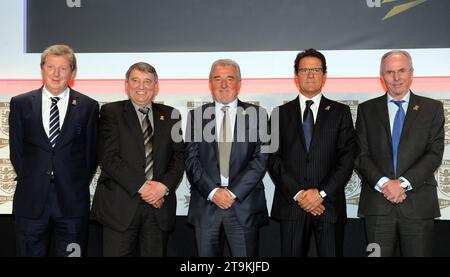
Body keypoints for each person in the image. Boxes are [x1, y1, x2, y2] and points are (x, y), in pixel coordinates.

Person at [8, 44, 99, 257]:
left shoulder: (88, 106)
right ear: (42, 69)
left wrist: (70, 180)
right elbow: (17, 153)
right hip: (31, 200)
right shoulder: (20, 103)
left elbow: (90, 156)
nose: (56, 74)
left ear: (73, 72)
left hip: (72, 202)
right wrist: (35, 177)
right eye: (50, 67)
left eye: (63, 68)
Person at [355, 50, 444, 257]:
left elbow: (434, 153)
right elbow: (360, 154)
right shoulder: (367, 110)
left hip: (418, 205)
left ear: (411, 73)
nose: (396, 78)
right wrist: (386, 184)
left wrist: (401, 183)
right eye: (390, 72)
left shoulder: (432, 108)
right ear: (381, 76)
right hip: (378, 205)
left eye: (402, 71)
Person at [268, 48, 356, 257]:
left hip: (329, 206)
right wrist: (300, 195)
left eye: (315, 70)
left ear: (324, 76)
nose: (310, 74)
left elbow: (347, 158)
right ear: (296, 75)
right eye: (304, 70)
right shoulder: (279, 113)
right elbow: (272, 158)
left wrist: (320, 194)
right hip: (292, 206)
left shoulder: (340, 113)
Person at [91, 62, 184, 257]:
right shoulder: (111, 112)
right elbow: (109, 158)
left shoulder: (171, 115)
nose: (141, 87)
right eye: (135, 80)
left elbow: (178, 157)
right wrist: (146, 189)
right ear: (126, 85)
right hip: (120, 208)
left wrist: (162, 188)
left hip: (158, 209)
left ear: (156, 86)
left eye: (147, 81)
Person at [185, 59, 269, 257]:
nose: (223, 84)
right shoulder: (196, 116)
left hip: (243, 206)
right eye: (217, 78)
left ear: (239, 83)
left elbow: (261, 159)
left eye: (229, 78)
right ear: (210, 82)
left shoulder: (258, 114)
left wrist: (231, 193)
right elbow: (191, 159)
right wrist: (214, 192)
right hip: (206, 207)